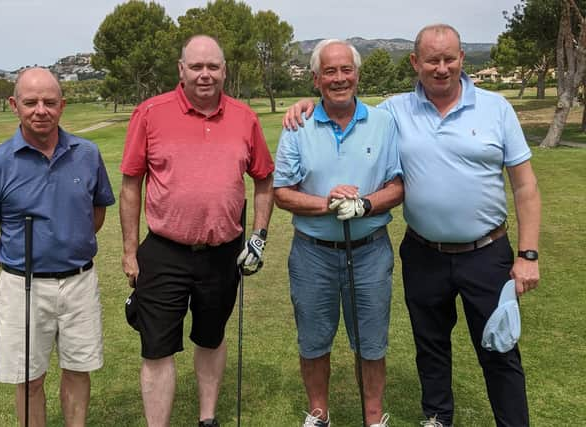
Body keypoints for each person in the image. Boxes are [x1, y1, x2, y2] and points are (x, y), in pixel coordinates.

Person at [283, 24, 541, 427]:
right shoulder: (394, 112)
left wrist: (528, 255)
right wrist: (305, 103)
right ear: (415, 63)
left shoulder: (496, 108)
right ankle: (437, 418)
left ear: (461, 59)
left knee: (499, 348)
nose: (442, 68)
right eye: (432, 60)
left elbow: (525, 187)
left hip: (487, 252)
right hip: (424, 253)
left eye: (450, 58)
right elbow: (341, 103)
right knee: (431, 345)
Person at [119, 35, 274, 427]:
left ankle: (208, 419)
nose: (205, 75)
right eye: (197, 66)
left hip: (223, 251)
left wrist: (259, 235)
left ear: (224, 71)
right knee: (156, 348)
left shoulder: (244, 116)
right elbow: (130, 185)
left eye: (213, 67)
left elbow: (264, 181)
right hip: (164, 249)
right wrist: (127, 250)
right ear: (181, 70)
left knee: (211, 336)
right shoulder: (150, 113)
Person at [0, 67, 115, 427]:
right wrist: (16, 263)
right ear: (14, 105)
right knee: (29, 378)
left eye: (49, 102)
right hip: (23, 286)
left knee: (78, 369)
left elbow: (95, 213)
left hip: (79, 282)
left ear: (63, 105)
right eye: (31, 102)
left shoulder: (87, 154)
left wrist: (66, 244)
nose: (40, 110)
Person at [274, 39, 403, 427]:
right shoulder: (299, 124)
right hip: (313, 253)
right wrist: (327, 203)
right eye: (329, 71)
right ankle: (319, 415)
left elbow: (398, 185)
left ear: (357, 74)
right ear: (316, 79)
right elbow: (282, 192)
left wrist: (365, 204)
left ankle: (374, 418)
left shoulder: (383, 122)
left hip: (369, 250)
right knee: (313, 341)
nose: (339, 78)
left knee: (371, 342)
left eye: (346, 69)